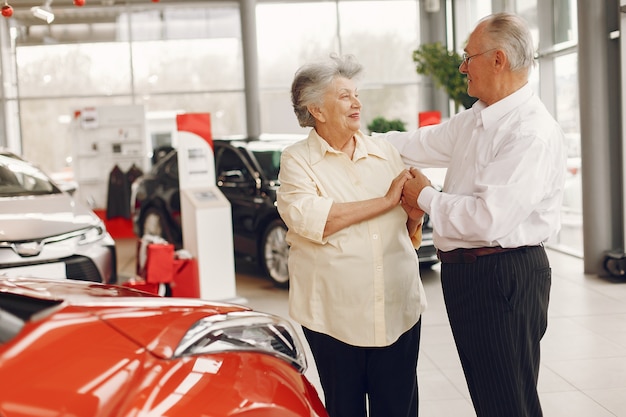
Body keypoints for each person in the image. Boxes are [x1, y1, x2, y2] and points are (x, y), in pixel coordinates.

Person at [384, 12, 566, 417]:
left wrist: (425, 195)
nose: (463, 66)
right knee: (495, 399)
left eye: (469, 56)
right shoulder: (478, 118)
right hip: (471, 275)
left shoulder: (529, 132)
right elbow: (416, 143)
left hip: (502, 276)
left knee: (507, 403)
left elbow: (488, 219)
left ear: (498, 60)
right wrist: (356, 139)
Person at [276, 54, 427, 417]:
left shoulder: (386, 153)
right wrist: (387, 199)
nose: (357, 103)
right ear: (317, 110)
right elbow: (317, 220)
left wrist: (415, 212)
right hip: (334, 315)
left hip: (397, 308)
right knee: (345, 408)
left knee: (398, 407)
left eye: (356, 94)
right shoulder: (297, 161)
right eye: (345, 96)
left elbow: (404, 228)